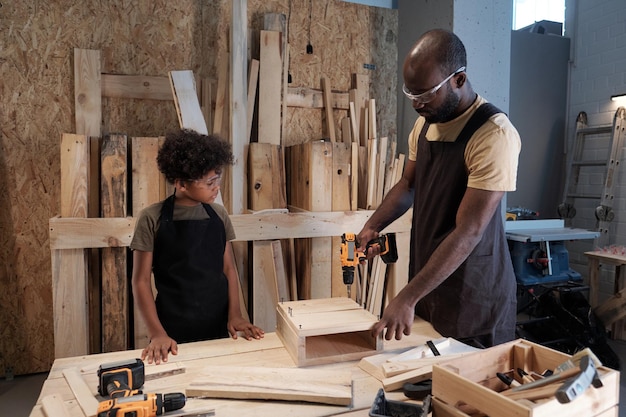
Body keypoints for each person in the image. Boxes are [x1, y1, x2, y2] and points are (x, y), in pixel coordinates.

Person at [357, 29, 521, 348]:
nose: (418, 104)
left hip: (476, 296)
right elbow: (408, 184)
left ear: (458, 79)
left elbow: (469, 230)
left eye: (427, 94)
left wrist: (406, 297)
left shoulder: (494, 135)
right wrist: (372, 227)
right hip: (432, 282)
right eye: (412, 94)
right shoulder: (425, 124)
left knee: (471, 393)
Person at [131, 129, 264, 364]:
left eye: (218, 179)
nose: (217, 187)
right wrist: (157, 333)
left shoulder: (218, 215)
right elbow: (140, 281)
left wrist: (236, 315)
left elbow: (229, 270)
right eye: (210, 182)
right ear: (181, 183)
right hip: (171, 331)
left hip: (217, 324)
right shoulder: (151, 218)